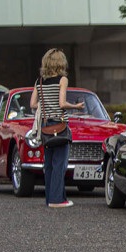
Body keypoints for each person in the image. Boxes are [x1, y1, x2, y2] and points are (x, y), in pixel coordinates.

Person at [30, 48, 85, 208]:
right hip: (59, 125)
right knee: (60, 164)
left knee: (49, 164)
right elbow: (62, 104)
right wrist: (76, 106)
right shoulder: (63, 80)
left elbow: (33, 104)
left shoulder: (39, 81)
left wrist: (45, 103)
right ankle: (57, 200)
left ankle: (51, 198)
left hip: (46, 125)